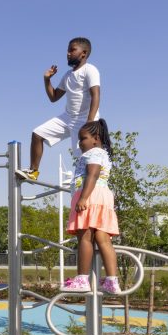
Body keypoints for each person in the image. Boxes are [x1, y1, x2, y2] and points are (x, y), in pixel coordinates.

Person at [21, 37, 101, 180]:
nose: (68, 53)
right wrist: (47, 79)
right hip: (67, 117)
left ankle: (88, 186)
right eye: (67, 50)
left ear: (84, 53)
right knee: (37, 134)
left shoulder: (90, 70)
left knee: (84, 157)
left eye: (72, 50)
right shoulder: (68, 75)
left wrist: (89, 122)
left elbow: (96, 95)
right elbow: (54, 97)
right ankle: (33, 172)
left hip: (85, 120)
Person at [63, 119, 120, 294]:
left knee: (85, 238)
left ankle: (82, 278)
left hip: (90, 196)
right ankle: (112, 280)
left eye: (83, 139)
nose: (80, 143)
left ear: (95, 138)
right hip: (103, 197)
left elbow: (93, 175)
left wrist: (83, 198)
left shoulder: (93, 153)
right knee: (103, 239)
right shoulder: (104, 154)